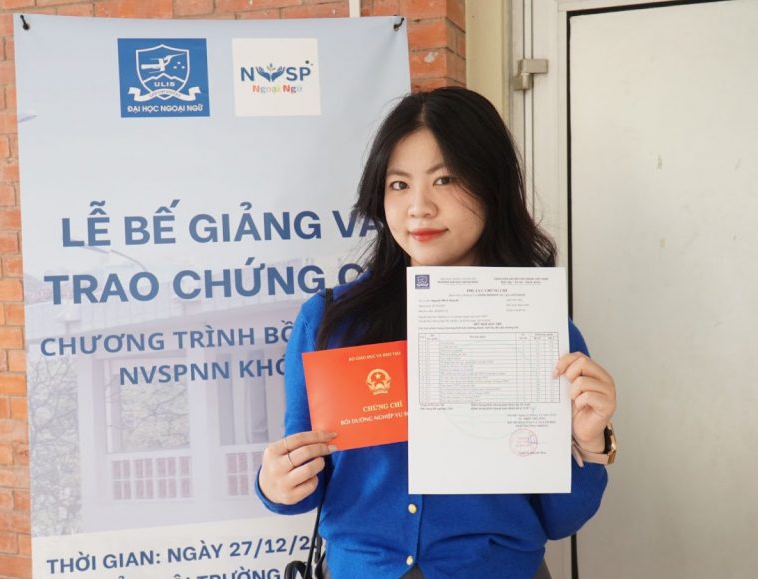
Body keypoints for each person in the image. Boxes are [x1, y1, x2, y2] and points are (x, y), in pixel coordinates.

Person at [255, 87, 617, 579]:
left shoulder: (543, 331)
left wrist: (589, 443)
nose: (418, 207)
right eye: (399, 184)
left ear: (491, 186)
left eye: (444, 179)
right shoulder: (330, 322)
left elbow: (560, 520)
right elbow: (303, 486)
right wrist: (275, 482)